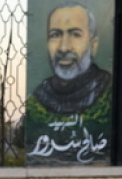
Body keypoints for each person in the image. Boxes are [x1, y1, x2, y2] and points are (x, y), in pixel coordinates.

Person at [25, 2, 113, 164]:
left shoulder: (111, 95)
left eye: (75, 34)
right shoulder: (36, 101)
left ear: (93, 45)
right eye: (55, 35)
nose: (64, 48)